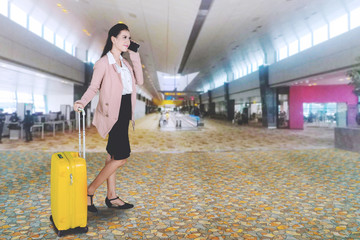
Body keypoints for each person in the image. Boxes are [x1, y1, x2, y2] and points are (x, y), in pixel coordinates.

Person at [73, 23, 143, 213]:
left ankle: (111, 197)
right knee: (121, 157)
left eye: (129, 38)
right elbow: (93, 87)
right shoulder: (103, 63)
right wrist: (82, 101)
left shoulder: (126, 63)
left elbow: (140, 81)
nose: (128, 41)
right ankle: (89, 190)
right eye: (124, 37)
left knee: (112, 155)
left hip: (125, 111)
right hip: (113, 114)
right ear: (113, 39)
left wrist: (135, 55)